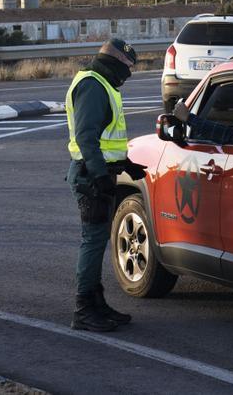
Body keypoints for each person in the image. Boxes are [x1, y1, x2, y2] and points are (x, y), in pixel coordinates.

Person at [65, 38, 147, 332]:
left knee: (98, 241)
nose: (127, 74)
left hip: (98, 172)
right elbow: (87, 138)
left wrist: (124, 165)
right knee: (93, 241)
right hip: (90, 176)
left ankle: (96, 302)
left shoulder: (102, 83)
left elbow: (104, 139)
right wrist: (101, 176)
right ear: (113, 63)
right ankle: (84, 309)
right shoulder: (93, 85)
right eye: (126, 67)